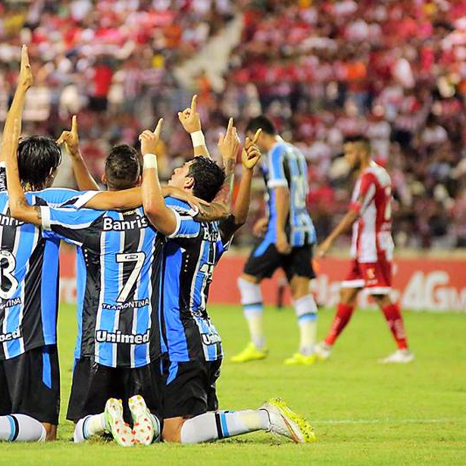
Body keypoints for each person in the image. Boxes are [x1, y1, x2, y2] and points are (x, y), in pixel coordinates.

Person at [0, 46, 190, 445]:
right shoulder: (53, 204)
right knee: (44, 430)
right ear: (51, 173)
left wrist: (21, 90)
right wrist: (169, 187)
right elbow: (113, 199)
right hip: (31, 334)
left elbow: (7, 141)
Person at [141, 103, 314, 444]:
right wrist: (232, 165)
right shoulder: (213, 228)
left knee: (175, 434)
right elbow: (222, 200)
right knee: (168, 426)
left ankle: (262, 417)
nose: (171, 177)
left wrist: (149, 158)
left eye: (176, 173)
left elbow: (153, 205)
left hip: (182, 341)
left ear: (187, 184)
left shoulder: (185, 222)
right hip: (201, 340)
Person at [230, 115, 320, 365]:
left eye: (249, 138)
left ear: (259, 134)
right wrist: (269, 216)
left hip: (284, 230)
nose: (248, 144)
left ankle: (257, 344)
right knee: (300, 290)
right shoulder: (296, 152)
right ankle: (307, 350)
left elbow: (281, 191)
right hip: (303, 228)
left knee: (247, 280)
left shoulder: (276, 154)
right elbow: (295, 193)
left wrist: (278, 228)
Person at [315, 135, 413, 363]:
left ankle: (404, 350)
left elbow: (354, 212)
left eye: (349, 153)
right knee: (347, 293)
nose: (347, 158)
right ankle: (326, 346)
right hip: (364, 245)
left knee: (380, 294)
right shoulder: (379, 173)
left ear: (360, 152)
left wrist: (329, 240)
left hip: (372, 245)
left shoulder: (369, 177)